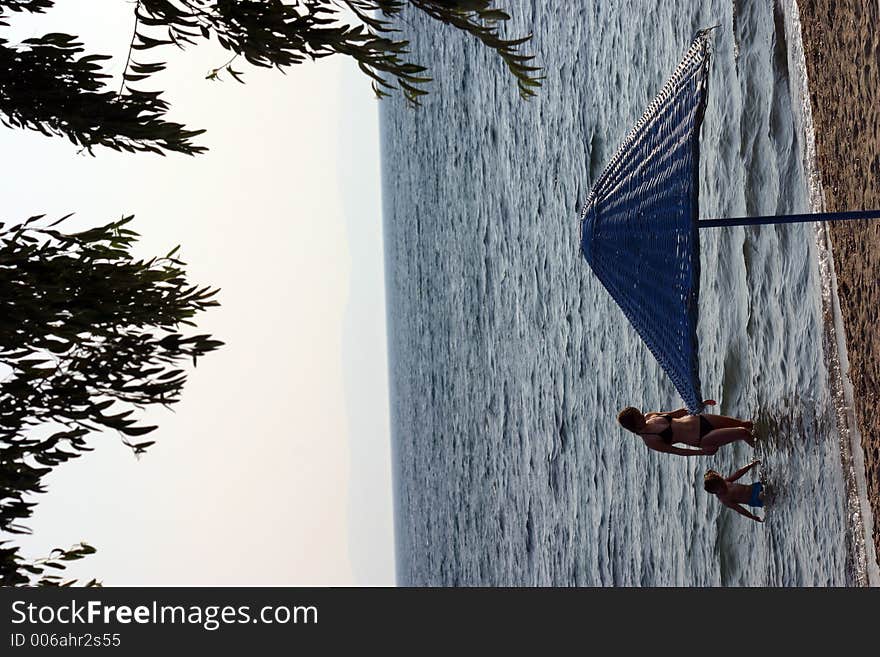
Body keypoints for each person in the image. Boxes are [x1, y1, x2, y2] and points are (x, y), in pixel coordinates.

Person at [616, 400, 755, 456]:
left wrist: (699, 404)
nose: (641, 415)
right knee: (742, 433)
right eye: (638, 417)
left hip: (699, 420)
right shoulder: (650, 440)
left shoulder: (649, 416)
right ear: (633, 425)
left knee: (746, 425)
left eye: (639, 413)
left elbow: (676, 414)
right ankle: (762, 449)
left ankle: (770, 439)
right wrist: (702, 452)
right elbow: (677, 451)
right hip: (701, 438)